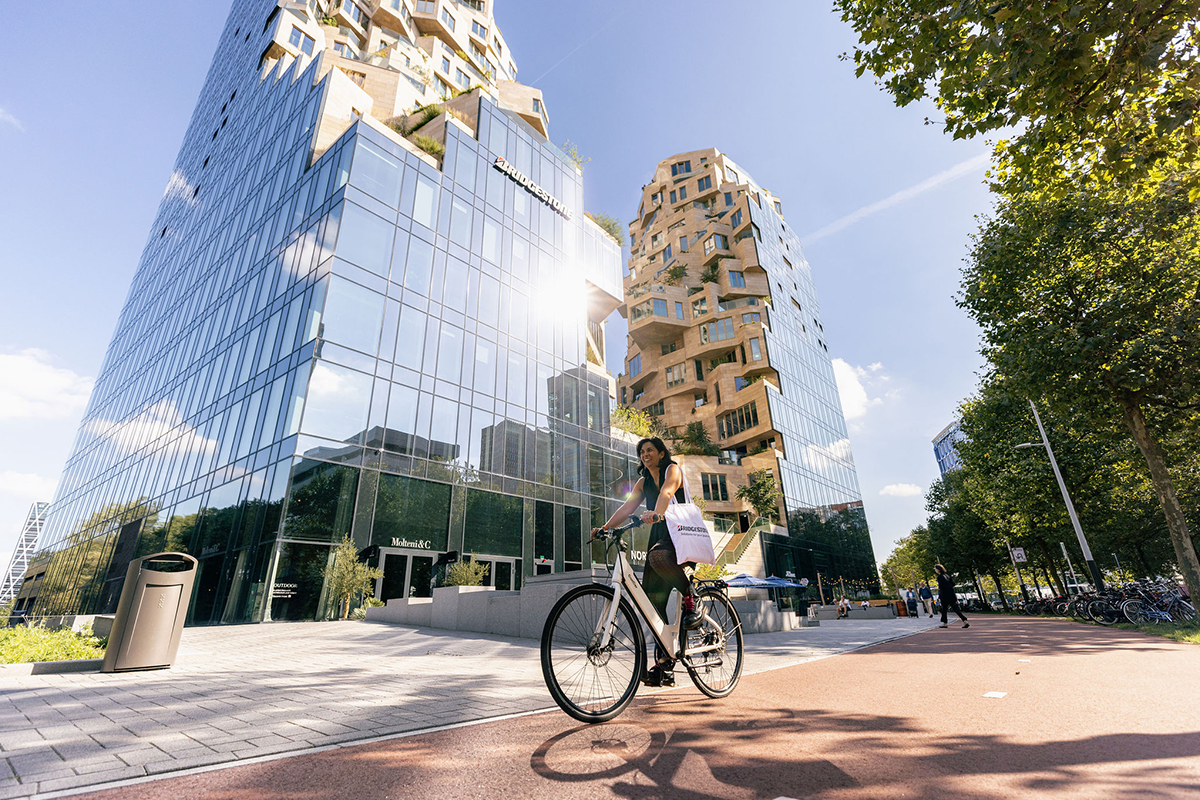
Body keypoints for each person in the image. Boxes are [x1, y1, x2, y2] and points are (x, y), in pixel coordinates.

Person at [594, 437, 700, 687]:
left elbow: (667, 492)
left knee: (658, 556)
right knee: (652, 604)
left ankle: (691, 596)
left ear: (661, 453)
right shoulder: (643, 482)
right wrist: (605, 528)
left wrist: (657, 513)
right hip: (658, 536)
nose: (645, 454)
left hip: (678, 534)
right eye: (641, 451)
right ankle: (665, 667)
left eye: (650, 450)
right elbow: (627, 508)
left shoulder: (672, 470)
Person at [934, 564, 969, 628]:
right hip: (951, 594)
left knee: (944, 609)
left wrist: (939, 588)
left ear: (938, 570)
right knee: (955, 608)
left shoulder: (940, 577)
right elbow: (953, 584)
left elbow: (941, 586)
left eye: (935, 569)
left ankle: (945, 623)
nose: (935, 570)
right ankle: (964, 620)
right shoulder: (947, 576)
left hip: (945, 595)